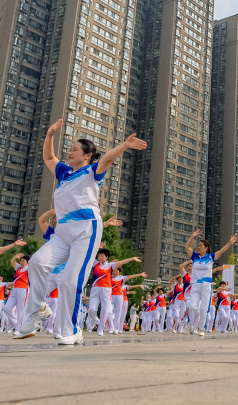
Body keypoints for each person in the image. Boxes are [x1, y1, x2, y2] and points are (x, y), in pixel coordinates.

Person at [16, 120, 147, 345]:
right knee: (37, 262)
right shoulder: (65, 173)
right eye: (70, 149)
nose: (70, 152)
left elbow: (106, 159)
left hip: (86, 229)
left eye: (75, 149)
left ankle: (72, 330)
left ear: (87, 155)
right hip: (63, 231)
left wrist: (124, 145)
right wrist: (49, 136)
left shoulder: (91, 171)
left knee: (69, 280)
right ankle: (38, 308)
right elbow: (48, 158)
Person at [184, 229, 238, 336]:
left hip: (206, 287)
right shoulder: (194, 257)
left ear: (206, 248)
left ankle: (201, 329)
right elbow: (187, 247)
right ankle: (190, 324)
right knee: (193, 307)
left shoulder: (210, 257)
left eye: (200, 245)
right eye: (198, 245)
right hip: (195, 286)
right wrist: (192, 236)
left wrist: (229, 243)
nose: (198, 247)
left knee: (203, 309)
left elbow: (222, 250)